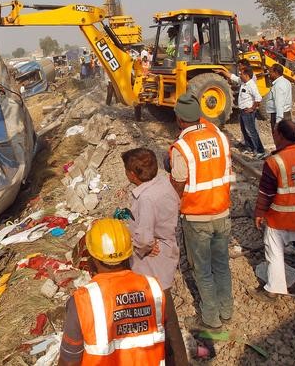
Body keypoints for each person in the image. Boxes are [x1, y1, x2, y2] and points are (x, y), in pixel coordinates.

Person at [58, 219, 177, 365]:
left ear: (93, 257)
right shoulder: (154, 288)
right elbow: (167, 345)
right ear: (129, 253)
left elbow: (69, 359)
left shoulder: (83, 300)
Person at [169, 92, 234, 329]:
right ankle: (226, 311)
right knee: (221, 265)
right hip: (222, 211)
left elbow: (178, 181)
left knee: (202, 270)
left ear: (179, 118)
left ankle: (211, 320)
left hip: (197, 217)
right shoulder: (219, 136)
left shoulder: (182, 147)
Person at [121, 148, 188, 361]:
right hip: (166, 251)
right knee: (164, 312)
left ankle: (174, 359)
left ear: (132, 174)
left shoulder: (146, 198)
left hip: (152, 263)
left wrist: (142, 244)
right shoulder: (162, 183)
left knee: (163, 315)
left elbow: (144, 239)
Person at [254, 120, 295, 298]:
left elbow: (265, 193)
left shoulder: (274, 162)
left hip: (280, 217)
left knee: (274, 250)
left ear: (280, 136)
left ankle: (275, 288)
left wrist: (259, 213)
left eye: (275, 133)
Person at [222, 67, 265, 158]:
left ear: (246, 75)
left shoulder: (251, 85)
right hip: (242, 111)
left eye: (241, 74)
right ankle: (249, 148)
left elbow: (258, 98)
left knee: (251, 131)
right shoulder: (243, 82)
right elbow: (232, 76)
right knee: (245, 130)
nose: (240, 75)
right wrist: (222, 71)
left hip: (248, 112)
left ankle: (260, 151)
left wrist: (252, 108)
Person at [264, 64, 292, 136]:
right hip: (286, 113)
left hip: (280, 115)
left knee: (280, 138)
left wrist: (278, 122)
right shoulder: (286, 82)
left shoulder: (278, 85)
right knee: (287, 137)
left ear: (276, 72)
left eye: (270, 72)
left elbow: (279, 104)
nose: (269, 74)